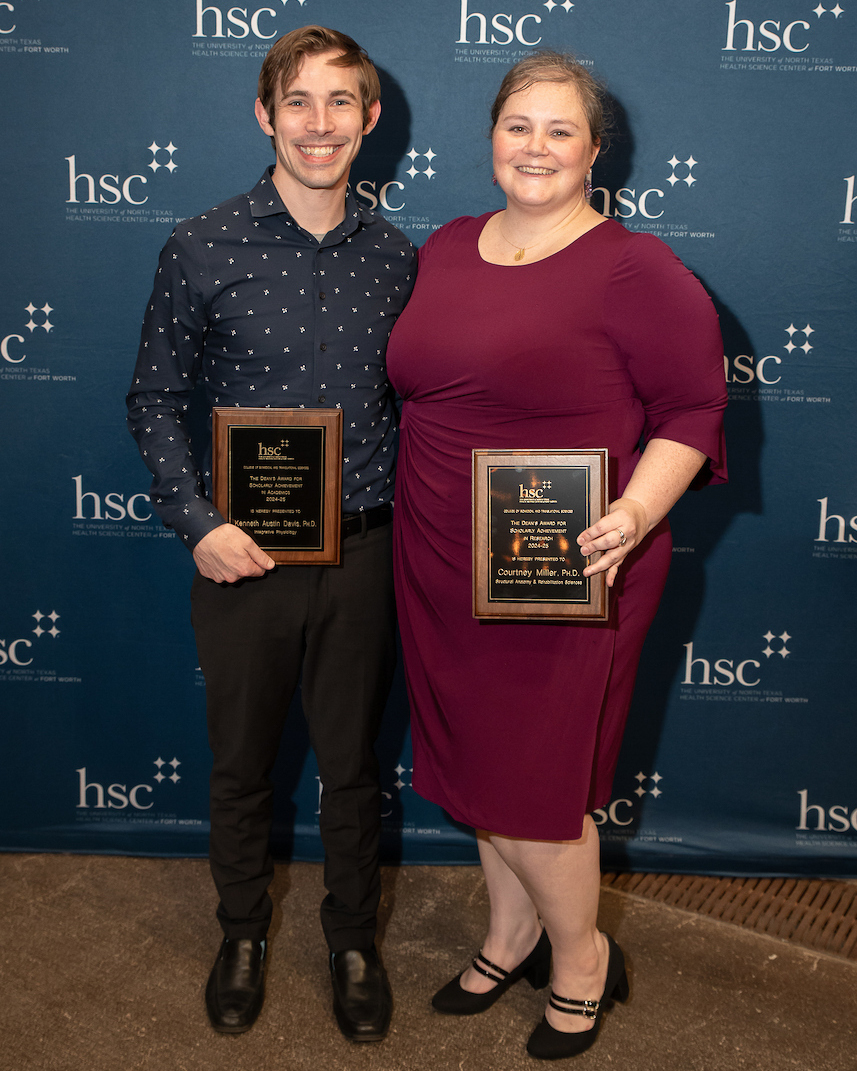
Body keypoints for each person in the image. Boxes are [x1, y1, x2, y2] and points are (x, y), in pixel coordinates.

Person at [386, 51, 726, 1060]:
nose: (534, 147)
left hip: (567, 568)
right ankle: (509, 936)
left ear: (593, 150)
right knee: (476, 772)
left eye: (558, 129)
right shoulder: (447, 245)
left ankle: (581, 959)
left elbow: (691, 411)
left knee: (532, 786)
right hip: (440, 555)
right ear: (491, 136)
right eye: (516, 125)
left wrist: (634, 512)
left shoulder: (635, 268)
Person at [127, 26, 416, 1043]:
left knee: (353, 767)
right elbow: (155, 398)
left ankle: (352, 942)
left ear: (369, 119)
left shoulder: (399, 259)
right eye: (298, 100)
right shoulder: (199, 245)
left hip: (366, 551)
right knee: (241, 764)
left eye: (340, 102)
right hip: (241, 556)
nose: (318, 123)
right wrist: (195, 521)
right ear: (265, 114)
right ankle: (241, 934)